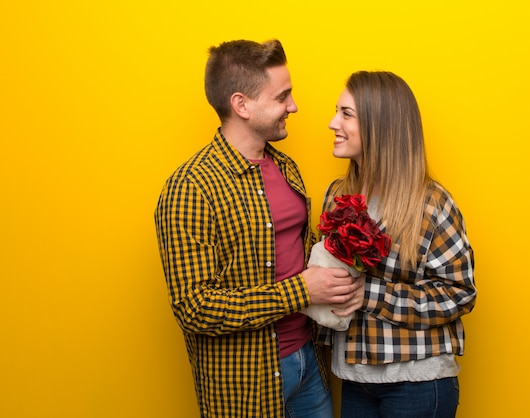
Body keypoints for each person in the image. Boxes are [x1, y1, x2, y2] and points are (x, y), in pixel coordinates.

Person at [154, 39, 363, 418]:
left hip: (310, 364)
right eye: (282, 96)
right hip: (244, 381)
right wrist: (301, 291)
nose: (294, 106)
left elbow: (303, 257)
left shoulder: (287, 169)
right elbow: (195, 307)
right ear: (242, 105)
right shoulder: (191, 187)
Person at [318, 71, 477, 418]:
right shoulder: (337, 195)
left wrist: (368, 295)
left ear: (380, 125)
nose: (333, 123)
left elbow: (460, 293)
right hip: (355, 377)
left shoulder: (430, 204)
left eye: (346, 114)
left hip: (416, 383)